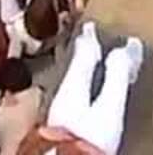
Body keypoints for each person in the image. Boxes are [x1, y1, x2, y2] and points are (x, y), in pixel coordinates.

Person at [30, 25, 144, 155]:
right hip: (95, 143)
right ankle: (124, 59)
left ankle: (91, 47)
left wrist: (42, 133)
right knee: (119, 69)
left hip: (59, 131)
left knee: (81, 65)